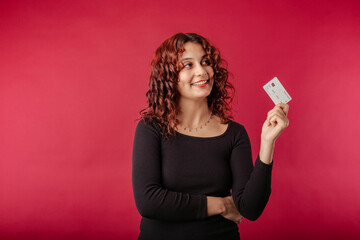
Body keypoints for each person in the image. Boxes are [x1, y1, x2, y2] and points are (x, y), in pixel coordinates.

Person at [132, 33, 289, 240]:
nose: (201, 71)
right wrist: (222, 205)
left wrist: (268, 142)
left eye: (205, 61)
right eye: (188, 65)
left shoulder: (234, 133)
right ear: (169, 76)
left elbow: (250, 209)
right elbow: (148, 201)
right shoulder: (151, 128)